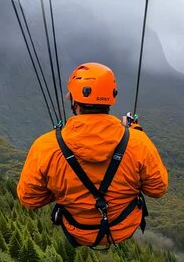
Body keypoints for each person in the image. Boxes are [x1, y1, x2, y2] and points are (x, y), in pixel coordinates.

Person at [17, 62, 168, 247]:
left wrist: (62, 190)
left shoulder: (46, 146)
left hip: (77, 228)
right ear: (112, 97)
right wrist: (135, 131)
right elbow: (157, 189)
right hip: (124, 226)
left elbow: (29, 199)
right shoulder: (137, 142)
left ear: (74, 100)